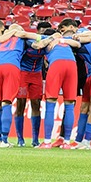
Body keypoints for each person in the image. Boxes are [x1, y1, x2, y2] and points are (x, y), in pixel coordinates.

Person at [0, 19, 42, 148]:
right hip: (11, 68)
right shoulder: (22, 39)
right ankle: (5, 140)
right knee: (7, 102)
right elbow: (38, 45)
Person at [37, 20, 80, 149]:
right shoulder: (66, 40)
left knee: (50, 103)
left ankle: (47, 141)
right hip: (72, 66)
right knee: (70, 105)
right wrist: (61, 40)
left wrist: (51, 39)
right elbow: (77, 44)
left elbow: (35, 44)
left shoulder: (47, 40)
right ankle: (66, 142)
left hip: (56, 65)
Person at [13, 33, 45, 148]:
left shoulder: (47, 43)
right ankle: (20, 139)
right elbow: (36, 45)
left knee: (36, 105)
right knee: (20, 104)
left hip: (37, 74)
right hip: (23, 73)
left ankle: (35, 140)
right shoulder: (26, 42)